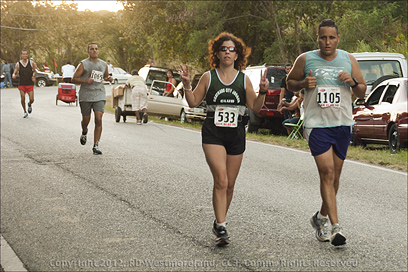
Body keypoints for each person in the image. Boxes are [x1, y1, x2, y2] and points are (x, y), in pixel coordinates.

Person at [180, 32, 268, 246]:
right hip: (213, 133)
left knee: (229, 185)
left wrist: (263, 92)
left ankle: (220, 222)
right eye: (223, 49)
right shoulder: (209, 77)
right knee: (221, 179)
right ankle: (221, 225)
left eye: (231, 49)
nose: (227, 53)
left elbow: (255, 107)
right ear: (217, 54)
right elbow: (192, 103)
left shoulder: (243, 79)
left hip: (236, 133)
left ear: (237, 55)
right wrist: (186, 85)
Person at [286, 19, 366, 246]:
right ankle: (336, 227)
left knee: (335, 177)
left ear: (338, 39)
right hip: (316, 124)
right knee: (327, 173)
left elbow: (361, 90)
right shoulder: (305, 58)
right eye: (323, 37)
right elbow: (289, 82)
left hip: (341, 123)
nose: (327, 41)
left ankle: (320, 218)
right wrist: (303, 82)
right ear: (318, 38)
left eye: (331, 37)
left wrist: (352, 82)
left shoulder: (349, 59)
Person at [72, 43, 113, 155]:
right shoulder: (83, 64)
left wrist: (108, 78)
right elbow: (74, 79)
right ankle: (84, 132)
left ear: (98, 51)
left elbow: (104, 76)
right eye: (92, 49)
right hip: (86, 95)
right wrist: (86, 81)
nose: (94, 51)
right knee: (86, 120)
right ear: (88, 51)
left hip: (99, 94)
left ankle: (96, 145)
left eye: (96, 49)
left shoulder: (103, 64)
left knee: (98, 118)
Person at [12, 49, 37, 118]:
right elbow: (15, 72)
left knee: (32, 99)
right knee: (22, 98)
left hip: (29, 83)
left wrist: (33, 76)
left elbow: (35, 71)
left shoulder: (31, 63)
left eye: (26, 54)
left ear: (27, 55)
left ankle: (29, 104)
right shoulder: (18, 64)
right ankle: (25, 111)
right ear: (21, 55)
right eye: (23, 54)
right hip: (22, 83)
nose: (25, 55)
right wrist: (13, 75)